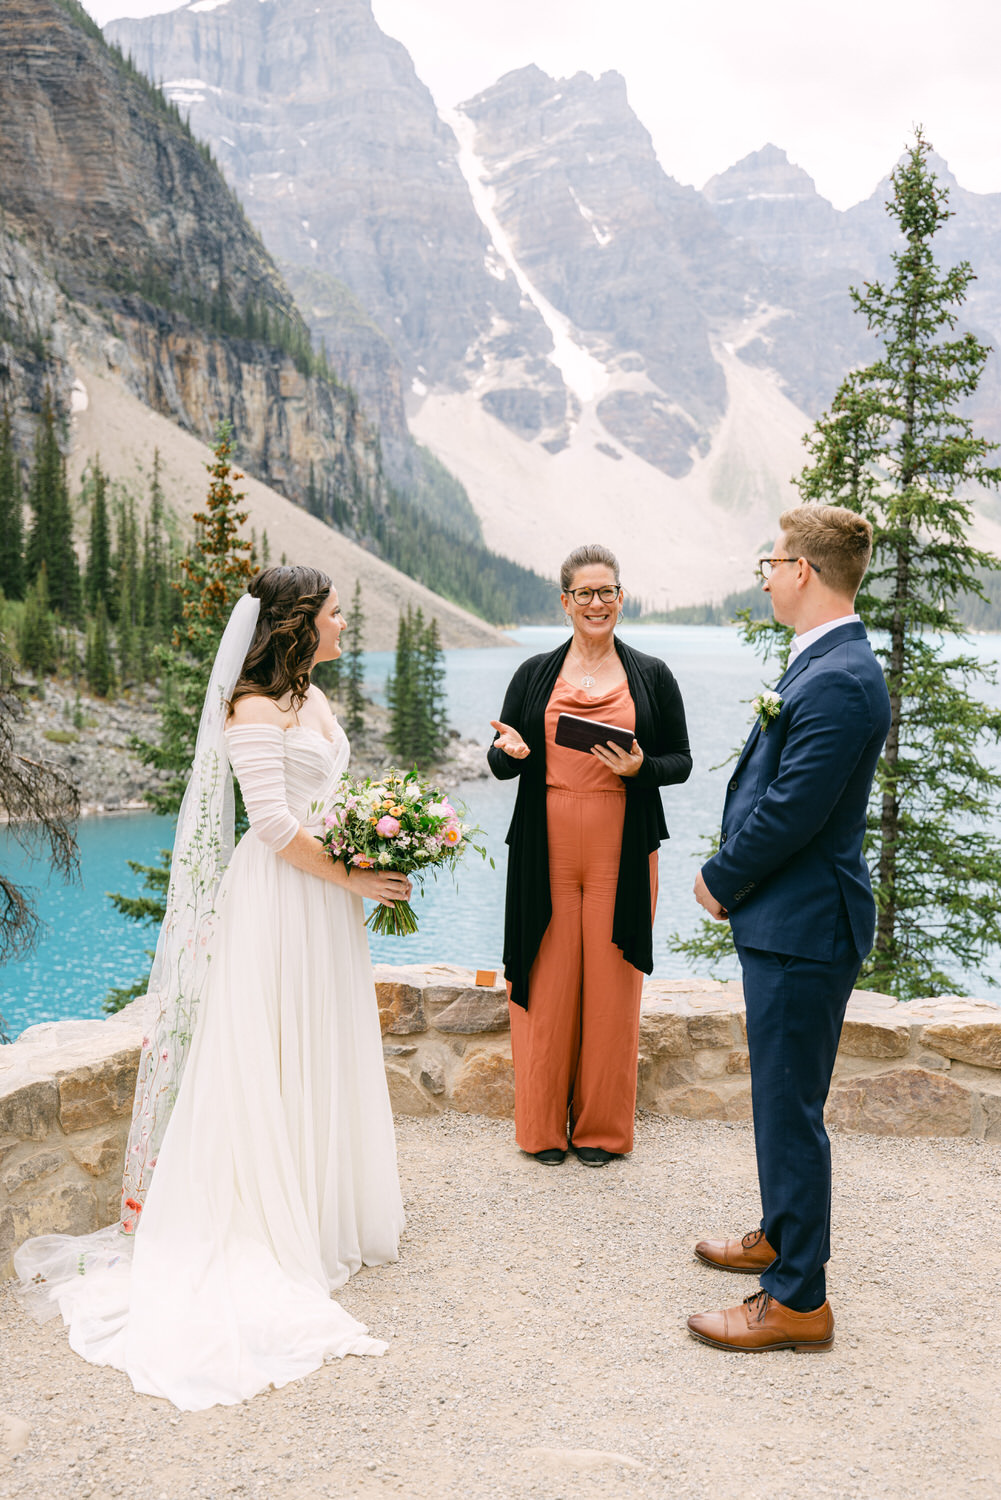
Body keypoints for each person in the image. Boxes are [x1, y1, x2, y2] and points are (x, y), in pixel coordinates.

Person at [14, 566, 410, 1409]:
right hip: (280, 900)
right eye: (335, 613)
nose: (345, 624)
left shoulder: (313, 699)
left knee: (321, 1041)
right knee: (269, 1043)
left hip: (327, 901)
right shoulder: (253, 710)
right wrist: (354, 875)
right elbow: (270, 826)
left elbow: (329, 792)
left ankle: (322, 1204)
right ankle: (266, 1219)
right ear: (299, 622)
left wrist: (380, 843)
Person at [688, 505, 890, 1353]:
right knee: (779, 1096)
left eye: (771, 561)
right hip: (791, 919)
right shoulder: (825, 661)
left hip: (806, 923)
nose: (764, 574)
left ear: (802, 569)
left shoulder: (841, 677)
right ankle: (779, 1231)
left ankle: (797, 1297)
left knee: (789, 1105)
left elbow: (795, 809)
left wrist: (720, 875)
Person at [488, 544, 691, 1167]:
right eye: (585, 594)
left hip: (619, 852)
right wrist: (512, 755)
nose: (597, 603)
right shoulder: (533, 674)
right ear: (565, 601)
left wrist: (640, 767)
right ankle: (542, 1130)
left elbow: (678, 762)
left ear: (620, 598)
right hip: (544, 849)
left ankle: (602, 1131)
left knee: (611, 989)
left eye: (608, 592)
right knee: (544, 987)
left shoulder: (652, 674)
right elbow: (499, 758)